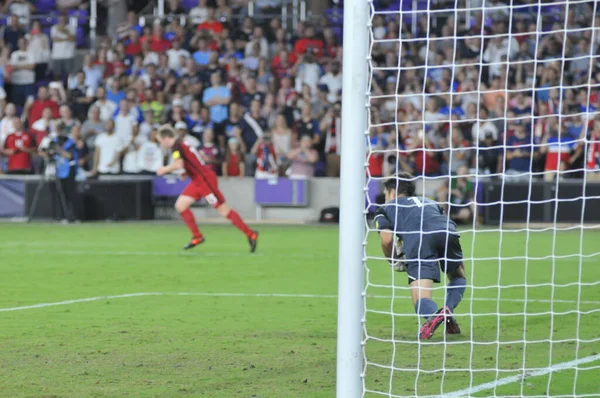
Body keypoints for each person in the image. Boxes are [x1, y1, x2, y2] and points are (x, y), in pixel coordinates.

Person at [374, 172, 467, 340]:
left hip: (420, 238)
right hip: (448, 230)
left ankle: (434, 315)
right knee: (458, 275)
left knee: (420, 299)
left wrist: (393, 260)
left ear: (392, 192)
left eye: (386, 193)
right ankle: (448, 309)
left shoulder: (385, 209)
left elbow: (386, 239)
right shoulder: (431, 202)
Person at [156, 124, 259, 252]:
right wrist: (186, 172)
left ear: (166, 138)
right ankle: (197, 236)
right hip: (197, 181)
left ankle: (251, 234)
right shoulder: (182, 144)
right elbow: (191, 161)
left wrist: (164, 169)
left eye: (161, 141)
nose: (162, 144)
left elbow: (179, 163)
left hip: (206, 182)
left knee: (223, 210)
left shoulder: (176, 147)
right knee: (180, 205)